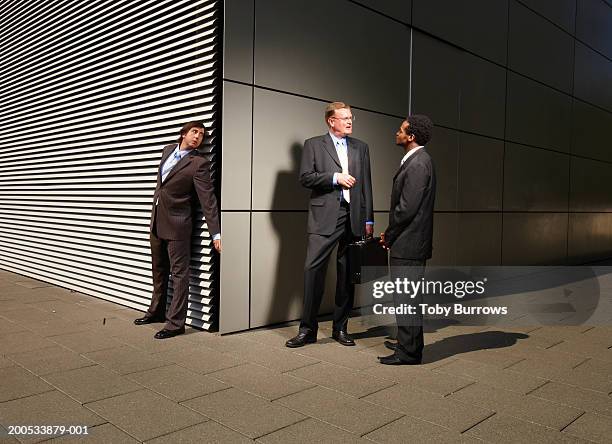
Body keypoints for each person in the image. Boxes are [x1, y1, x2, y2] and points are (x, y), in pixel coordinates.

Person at [286, 102, 374, 348]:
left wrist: (369, 219)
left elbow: (366, 184)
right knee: (313, 271)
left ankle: (340, 328)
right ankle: (307, 330)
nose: (349, 121)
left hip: (353, 216)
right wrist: (335, 178)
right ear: (330, 121)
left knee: (347, 274)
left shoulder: (361, 147)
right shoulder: (313, 144)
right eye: (344, 118)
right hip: (324, 217)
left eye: (351, 117)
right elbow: (306, 177)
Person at [134, 121, 221, 339]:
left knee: (180, 274)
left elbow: (207, 199)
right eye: (194, 132)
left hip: (178, 225)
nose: (197, 137)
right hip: (156, 222)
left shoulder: (198, 163)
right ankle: (156, 312)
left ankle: (175, 324)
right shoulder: (167, 151)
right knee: (159, 270)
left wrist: (216, 233)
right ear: (183, 134)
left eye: (201, 135)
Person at [379, 115, 436, 364]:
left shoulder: (418, 164)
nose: (397, 132)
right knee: (407, 297)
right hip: (409, 242)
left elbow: (406, 208)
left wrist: (389, 234)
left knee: (407, 299)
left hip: (409, 244)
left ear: (411, 136)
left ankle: (409, 353)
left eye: (401, 130)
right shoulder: (417, 161)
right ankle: (407, 342)